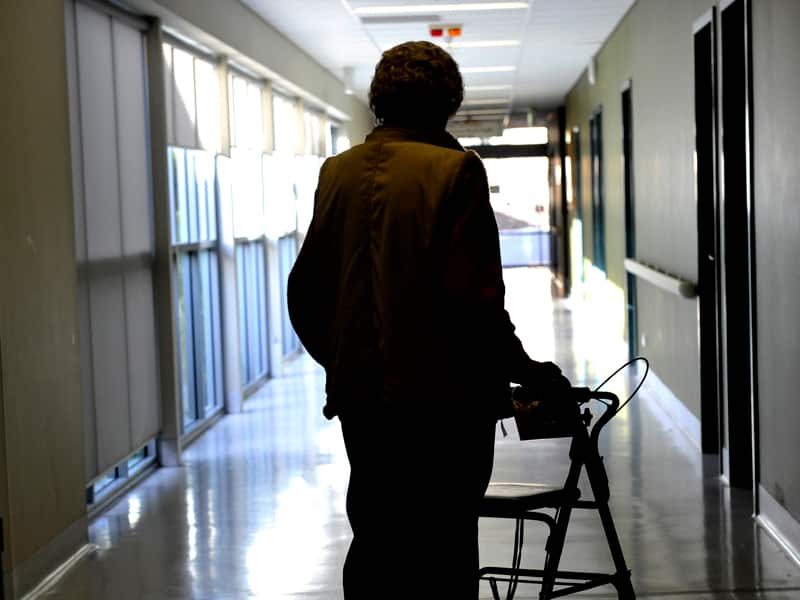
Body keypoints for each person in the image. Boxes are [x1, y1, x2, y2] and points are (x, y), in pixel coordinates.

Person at [288, 41, 569, 599]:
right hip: (444, 406)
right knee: (444, 542)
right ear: (448, 103)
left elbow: (307, 294)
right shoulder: (455, 170)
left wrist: (346, 361)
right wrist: (528, 371)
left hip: (363, 401)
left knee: (375, 536)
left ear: (379, 103)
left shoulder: (336, 172)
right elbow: (476, 301)